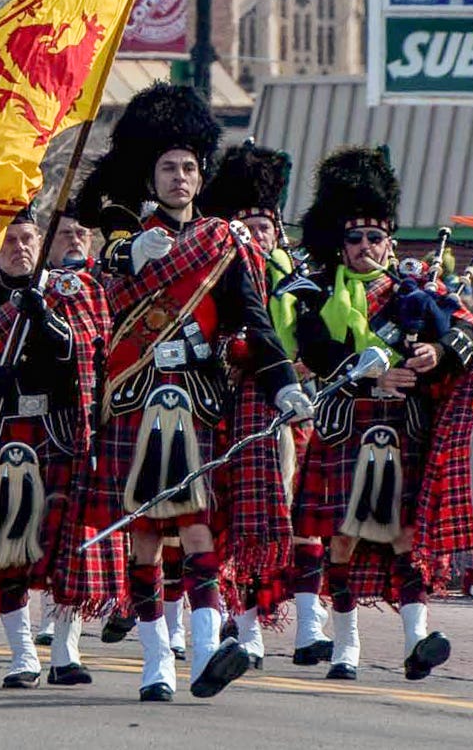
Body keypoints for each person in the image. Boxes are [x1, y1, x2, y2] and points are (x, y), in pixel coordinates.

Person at [68, 85, 302, 702]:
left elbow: (255, 319)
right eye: (169, 167)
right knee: (145, 537)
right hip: (137, 398)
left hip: (196, 397)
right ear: (152, 174)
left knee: (197, 530)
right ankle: (155, 662)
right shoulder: (121, 244)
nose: (180, 177)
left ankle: (203, 652)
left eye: (190, 168)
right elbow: (95, 313)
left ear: (202, 177)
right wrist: (126, 261)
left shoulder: (224, 242)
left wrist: (284, 385)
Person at [288, 146, 473, 684]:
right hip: (347, 424)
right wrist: (370, 373)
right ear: (340, 242)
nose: (366, 247)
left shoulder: (419, 289)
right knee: (343, 538)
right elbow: (315, 351)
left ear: (390, 241)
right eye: (355, 238)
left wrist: (437, 353)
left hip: (403, 431)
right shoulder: (319, 294)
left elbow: (470, 334)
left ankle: (417, 640)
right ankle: (345, 645)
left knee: (404, 536)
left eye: (376, 237)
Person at [0, 205, 116, 688]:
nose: (20, 248)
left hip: (59, 435)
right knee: (7, 551)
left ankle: (66, 651)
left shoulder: (66, 293)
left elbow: (85, 356)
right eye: (10, 240)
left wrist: (48, 322)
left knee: (66, 552)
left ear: (42, 245)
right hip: (3, 436)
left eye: (28, 240)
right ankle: (21, 655)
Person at [198, 141, 307, 673]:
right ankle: (234, 625)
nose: (256, 235)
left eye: (264, 225)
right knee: (226, 521)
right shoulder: (217, 274)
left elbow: (322, 341)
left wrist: (303, 367)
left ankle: (290, 626)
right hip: (226, 405)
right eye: (245, 225)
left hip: (292, 412)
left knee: (285, 523)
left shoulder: (300, 281)